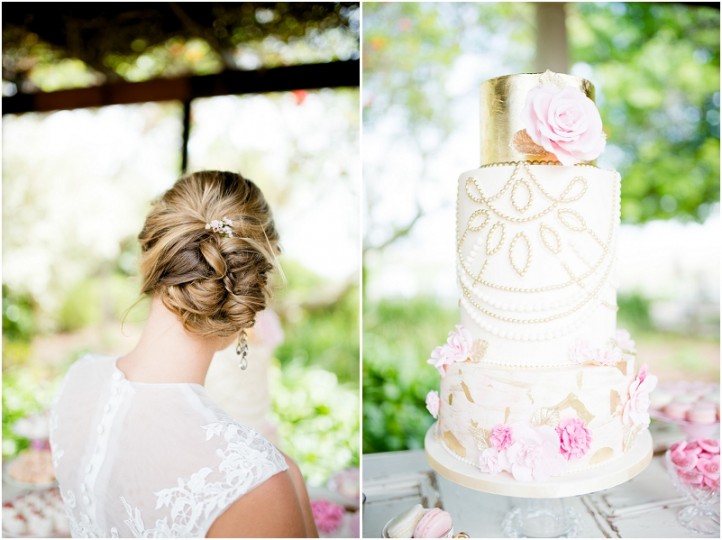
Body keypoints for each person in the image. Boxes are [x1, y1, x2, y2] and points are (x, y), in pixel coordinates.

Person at [48, 171, 318, 538]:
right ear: (250, 291)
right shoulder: (255, 484)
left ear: (150, 257)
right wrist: (287, 481)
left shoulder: (77, 380)